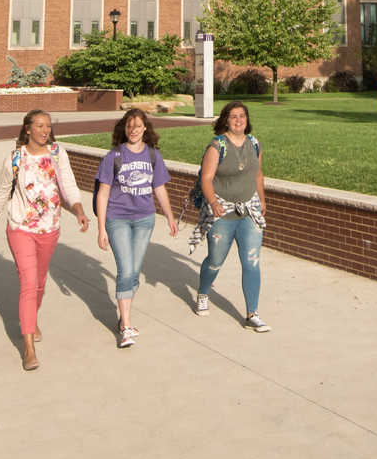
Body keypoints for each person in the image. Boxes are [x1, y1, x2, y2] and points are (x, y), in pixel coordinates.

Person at [0, 109, 88, 370]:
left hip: (50, 229)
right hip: (20, 229)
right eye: (39, 125)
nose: (45, 130)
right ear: (27, 129)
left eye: (48, 126)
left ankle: (31, 320)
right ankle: (28, 348)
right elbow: (2, 192)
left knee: (40, 283)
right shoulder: (15, 158)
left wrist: (78, 210)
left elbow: (68, 185)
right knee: (29, 283)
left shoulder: (57, 154)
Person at [94, 107, 178, 348]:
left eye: (138, 126)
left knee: (134, 271)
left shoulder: (153, 156)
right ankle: (126, 325)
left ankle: (124, 314)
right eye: (129, 126)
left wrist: (170, 217)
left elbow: (159, 188)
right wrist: (101, 228)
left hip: (144, 219)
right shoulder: (114, 156)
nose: (133, 130)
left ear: (145, 129)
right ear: (124, 128)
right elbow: (103, 194)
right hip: (117, 218)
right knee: (126, 269)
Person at [194, 101, 269, 332]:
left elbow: (258, 174)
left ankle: (252, 313)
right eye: (234, 116)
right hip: (222, 213)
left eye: (242, 116)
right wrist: (214, 203)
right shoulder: (217, 146)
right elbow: (206, 179)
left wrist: (262, 199)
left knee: (252, 262)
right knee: (215, 260)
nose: (239, 120)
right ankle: (203, 293)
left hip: (249, 211)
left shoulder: (254, 143)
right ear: (226, 120)